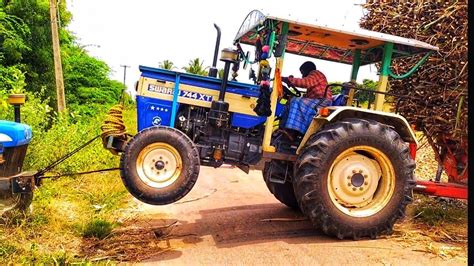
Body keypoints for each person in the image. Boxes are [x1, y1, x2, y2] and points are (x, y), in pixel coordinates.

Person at [278, 61, 332, 141]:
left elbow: (305, 83)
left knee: (296, 101)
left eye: (302, 72)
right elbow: (308, 95)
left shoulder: (316, 74)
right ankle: (285, 128)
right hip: (317, 100)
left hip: (322, 101)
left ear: (307, 70)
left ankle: (291, 132)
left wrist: (286, 79)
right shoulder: (313, 80)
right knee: (291, 101)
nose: (302, 75)